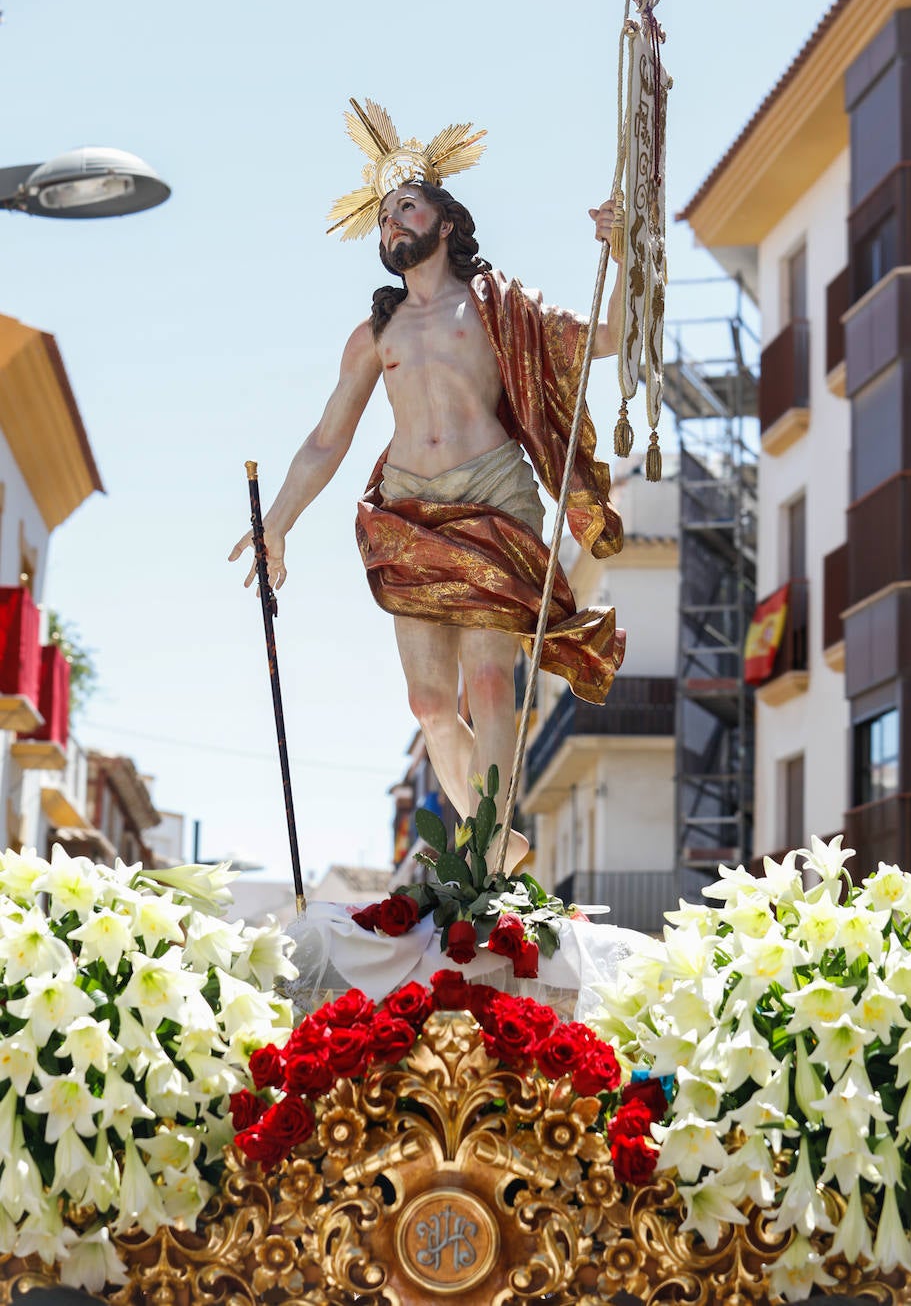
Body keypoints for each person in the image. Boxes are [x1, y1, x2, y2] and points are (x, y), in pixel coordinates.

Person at [230, 179, 625, 871]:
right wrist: (278, 524)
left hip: (495, 497)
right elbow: (328, 439)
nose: (390, 224)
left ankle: (482, 858)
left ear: (447, 224)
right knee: (430, 704)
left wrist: (621, 255)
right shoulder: (375, 334)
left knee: (492, 684)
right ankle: (495, 836)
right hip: (408, 511)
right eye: (383, 217)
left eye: (405, 208)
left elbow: (610, 336)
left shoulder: (501, 309)